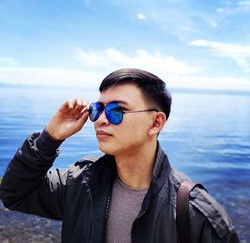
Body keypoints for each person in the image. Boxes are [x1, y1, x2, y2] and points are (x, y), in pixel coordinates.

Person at [0, 68, 238, 243]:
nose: (102, 119)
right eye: (98, 109)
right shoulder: (79, 184)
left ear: (156, 122)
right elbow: (14, 194)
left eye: (117, 110)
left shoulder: (197, 214)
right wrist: (50, 138)